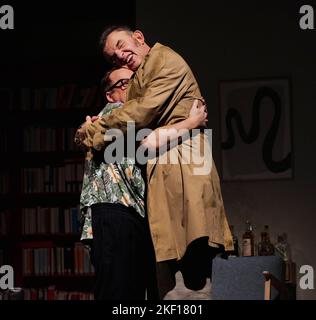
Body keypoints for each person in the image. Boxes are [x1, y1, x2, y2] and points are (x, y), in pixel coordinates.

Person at [76, 25, 233, 298]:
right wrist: (189, 122)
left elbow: (139, 117)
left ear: (138, 37)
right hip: (137, 199)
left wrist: (89, 131)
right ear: (108, 93)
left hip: (181, 173)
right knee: (170, 280)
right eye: (113, 58)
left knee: (189, 268)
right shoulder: (132, 88)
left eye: (122, 45)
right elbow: (141, 134)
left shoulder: (163, 61)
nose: (121, 56)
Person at [78, 66, 208, 300]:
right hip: (113, 209)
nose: (132, 87)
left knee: (134, 293)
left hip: (133, 213)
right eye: (124, 84)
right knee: (117, 293)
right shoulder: (116, 113)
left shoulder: (136, 116)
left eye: (135, 81)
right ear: (110, 94)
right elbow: (147, 144)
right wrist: (191, 123)